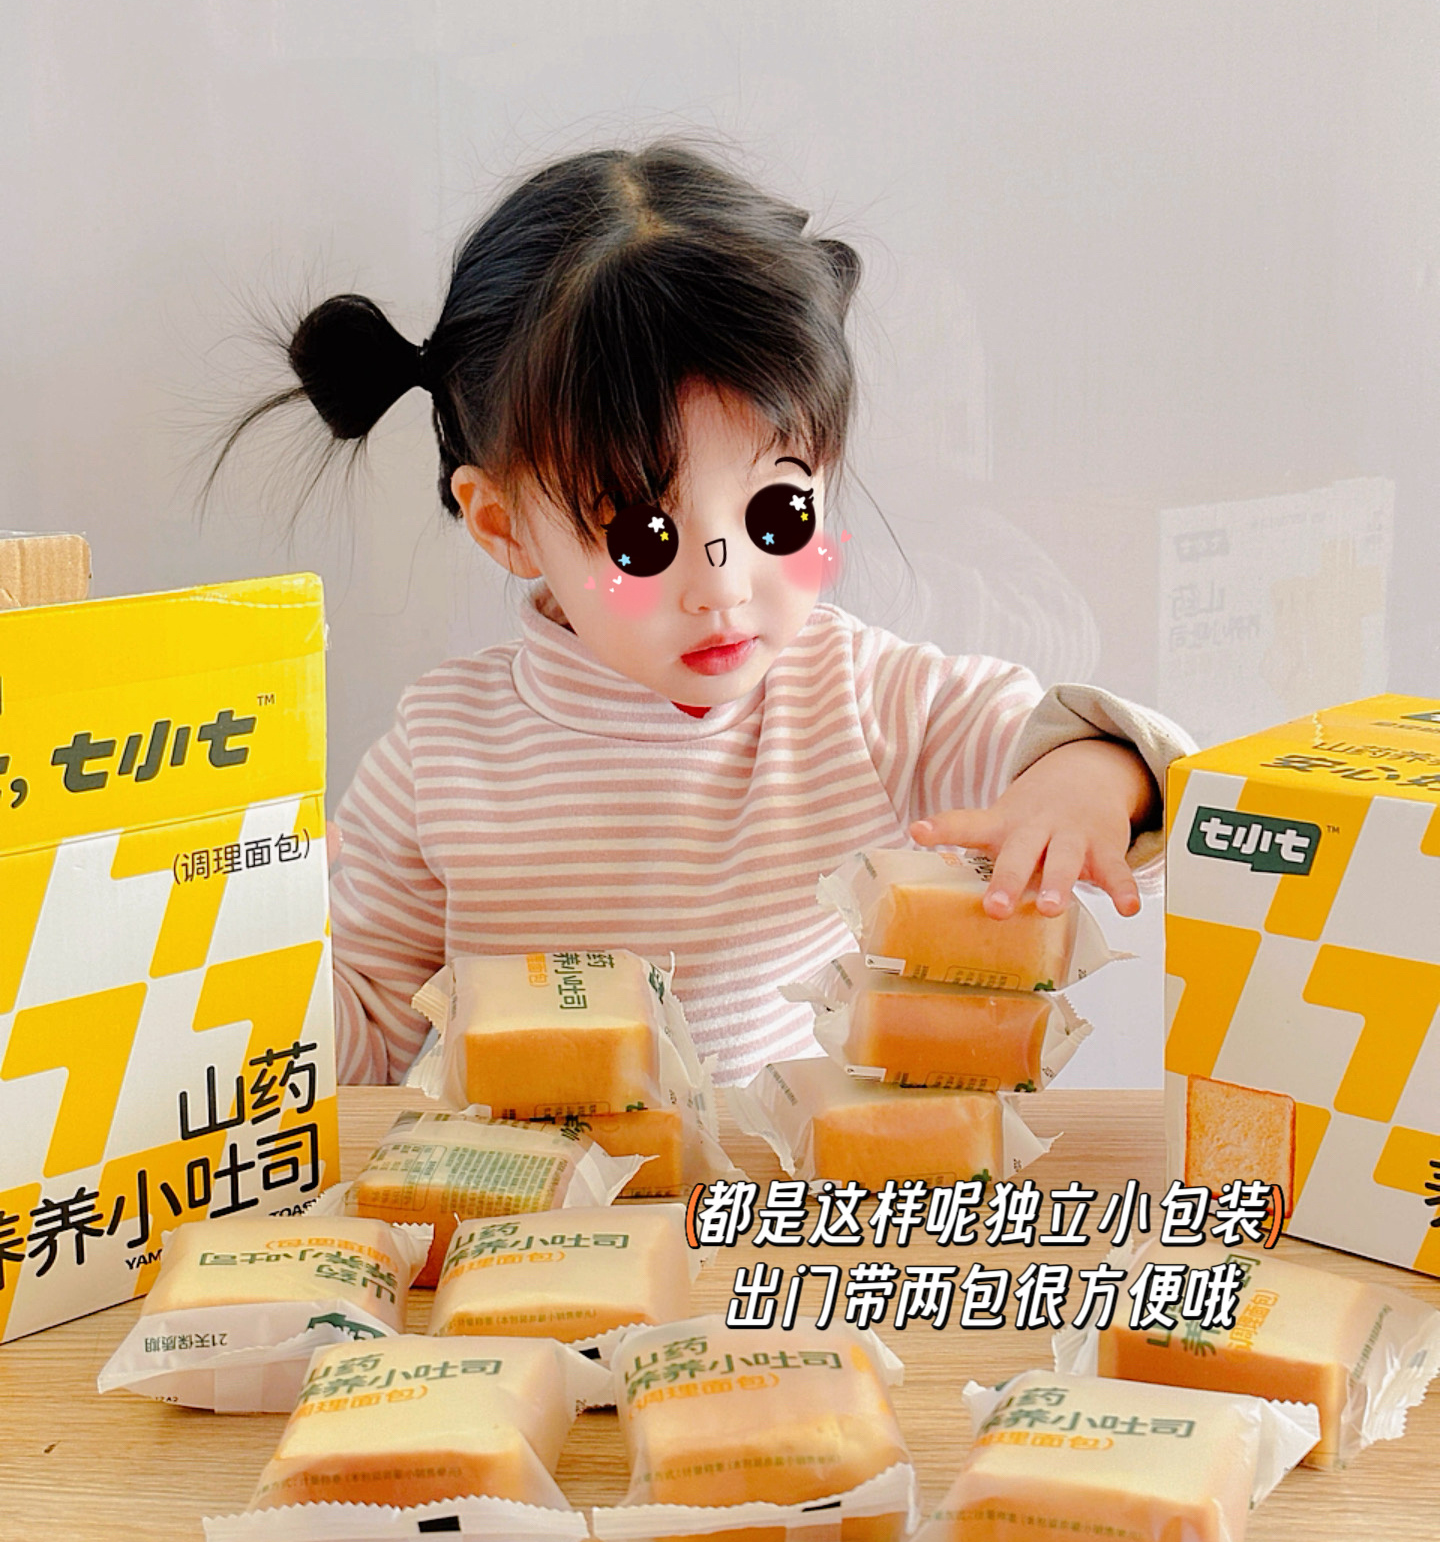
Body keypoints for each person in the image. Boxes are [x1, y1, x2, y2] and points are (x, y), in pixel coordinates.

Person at [226, 142, 1187, 1087]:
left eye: (779, 513)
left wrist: (1087, 787)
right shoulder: (437, 760)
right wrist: (253, 948)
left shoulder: (864, 700)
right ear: (504, 524)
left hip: (784, 1191)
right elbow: (370, 1058)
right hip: (532, 1190)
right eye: (642, 537)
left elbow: (1100, 748)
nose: (725, 587)